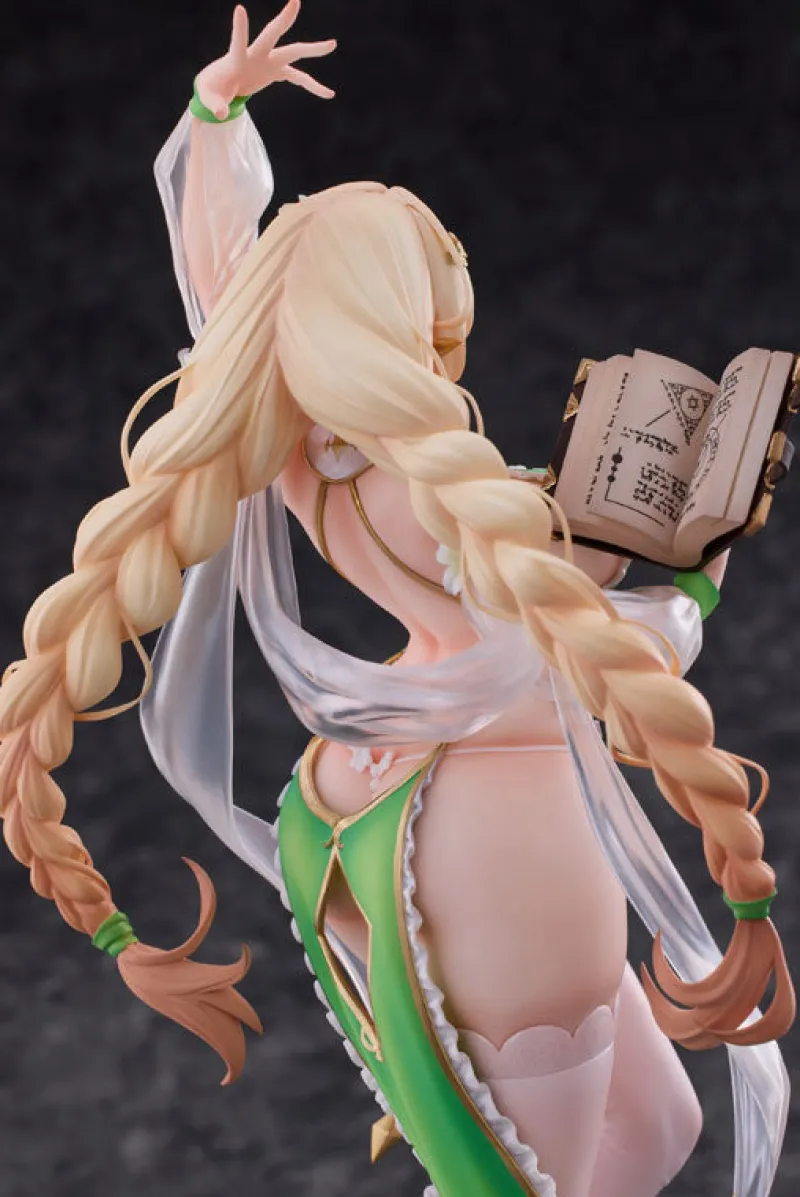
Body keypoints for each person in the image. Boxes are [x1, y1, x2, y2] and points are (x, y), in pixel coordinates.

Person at [0, 4, 793, 1195]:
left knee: (654, 1133)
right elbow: (555, 640)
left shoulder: (297, 442)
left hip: (362, 782)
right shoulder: (431, 485)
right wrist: (689, 587)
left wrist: (214, 116)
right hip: (490, 803)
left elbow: (220, 292)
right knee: (528, 1181)